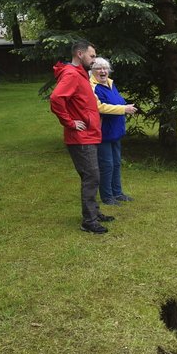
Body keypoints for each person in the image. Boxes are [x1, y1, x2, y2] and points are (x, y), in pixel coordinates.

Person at [49, 40, 119, 234]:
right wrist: (69, 122)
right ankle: (89, 221)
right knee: (91, 177)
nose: (94, 60)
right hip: (81, 137)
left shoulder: (80, 74)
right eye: (92, 56)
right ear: (80, 54)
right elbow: (56, 99)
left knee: (92, 177)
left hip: (89, 135)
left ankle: (94, 213)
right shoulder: (71, 74)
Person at [90, 58, 137, 205]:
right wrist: (124, 109)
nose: (103, 71)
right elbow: (99, 107)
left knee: (116, 163)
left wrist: (125, 105)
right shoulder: (92, 87)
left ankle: (117, 193)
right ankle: (107, 196)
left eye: (105, 68)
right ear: (92, 71)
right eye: (99, 68)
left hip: (116, 130)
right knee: (107, 165)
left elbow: (117, 101)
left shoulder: (110, 83)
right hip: (103, 131)